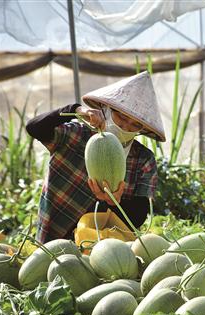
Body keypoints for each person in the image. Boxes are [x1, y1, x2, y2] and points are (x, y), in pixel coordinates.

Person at [26, 72, 166, 243]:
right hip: (53, 238)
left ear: (142, 129)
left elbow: (138, 215)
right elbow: (34, 128)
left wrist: (114, 202)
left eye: (135, 124)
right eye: (121, 117)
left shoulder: (143, 159)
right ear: (106, 109)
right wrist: (75, 110)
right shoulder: (76, 135)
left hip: (102, 248)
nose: (126, 126)